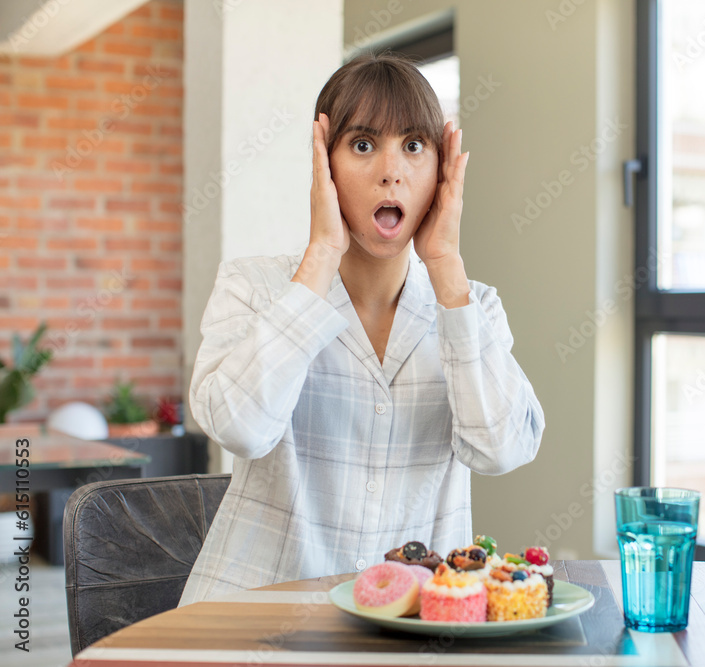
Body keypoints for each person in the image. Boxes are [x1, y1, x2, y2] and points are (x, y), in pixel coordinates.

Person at [177, 53, 545, 606]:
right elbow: (241, 428)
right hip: (253, 619)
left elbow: (502, 449)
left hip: (413, 628)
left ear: (442, 170)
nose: (391, 171)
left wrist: (446, 264)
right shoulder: (252, 287)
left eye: (414, 146)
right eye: (363, 145)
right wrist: (322, 254)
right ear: (323, 163)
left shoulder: (474, 308)